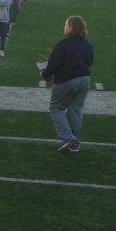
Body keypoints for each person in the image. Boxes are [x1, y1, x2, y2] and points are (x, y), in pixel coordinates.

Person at [41, 16, 93, 153]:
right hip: (85, 80)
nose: (64, 27)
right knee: (75, 111)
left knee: (56, 108)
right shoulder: (88, 44)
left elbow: (52, 67)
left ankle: (68, 138)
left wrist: (44, 74)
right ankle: (75, 145)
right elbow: (89, 62)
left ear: (72, 27)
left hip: (67, 81)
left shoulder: (62, 45)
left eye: (66, 25)